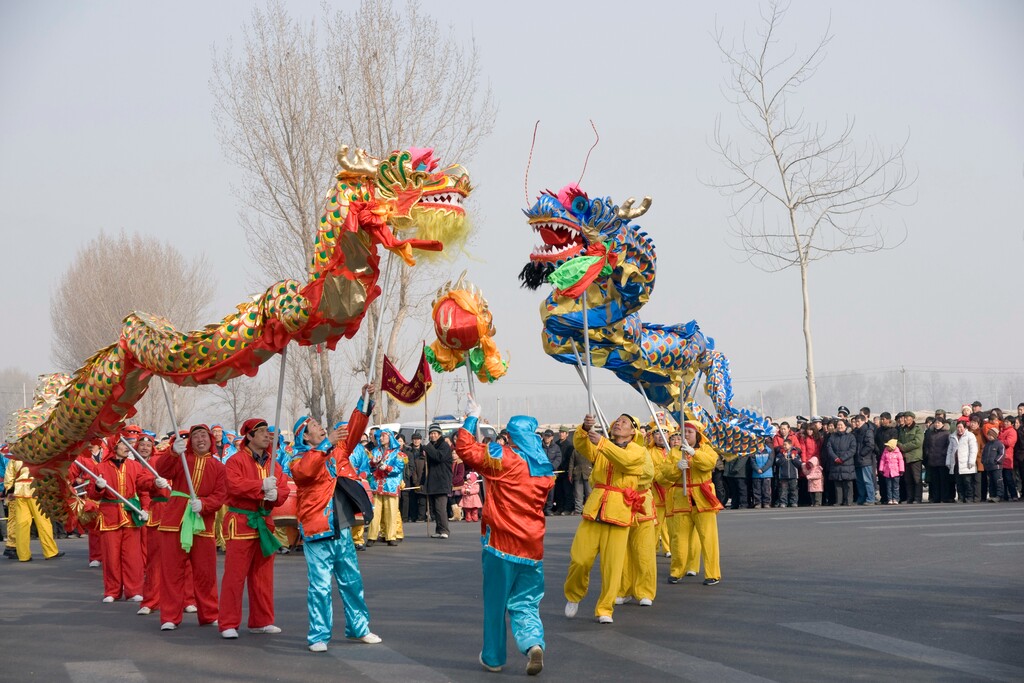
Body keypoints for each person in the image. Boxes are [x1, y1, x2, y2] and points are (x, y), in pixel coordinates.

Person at [454, 400, 553, 676]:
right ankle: (533, 642)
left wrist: (472, 418)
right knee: (526, 601)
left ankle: (494, 657)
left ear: (509, 436)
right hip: (532, 545)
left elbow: (465, 449)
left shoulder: (504, 456)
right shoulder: (544, 466)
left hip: (501, 542)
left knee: (496, 605)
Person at [290, 386, 381, 653]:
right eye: (314, 426)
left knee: (352, 581)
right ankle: (319, 635)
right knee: (319, 587)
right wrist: (327, 442)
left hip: (341, 529)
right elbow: (307, 470)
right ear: (304, 438)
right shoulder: (298, 459)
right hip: (317, 532)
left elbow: (353, 430)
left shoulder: (336, 451)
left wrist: (364, 400)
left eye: (320, 424)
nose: (320, 427)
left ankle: (359, 628)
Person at [564, 413, 645, 624]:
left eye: (624, 422)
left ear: (633, 431)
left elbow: (625, 461)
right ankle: (573, 595)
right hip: (596, 508)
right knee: (580, 559)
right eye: (617, 421)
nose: (619, 423)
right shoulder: (601, 446)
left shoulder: (639, 451)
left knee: (612, 566)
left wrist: (602, 443)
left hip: (620, 510)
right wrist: (584, 428)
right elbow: (581, 446)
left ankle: (605, 608)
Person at [219, 418, 291, 640]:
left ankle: (262, 620)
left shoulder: (273, 464)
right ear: (249, 436)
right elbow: (233, 485)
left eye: (268, 432)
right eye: (261, 432)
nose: (267, 435)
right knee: (235, 575)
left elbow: (284, 487)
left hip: (264, 522)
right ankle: (228, 623)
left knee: (263, 576)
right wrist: (260, 486)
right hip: (241, 522)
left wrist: (276, 494)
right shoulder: (235, 461)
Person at [154, 424, 227, 631]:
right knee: (171, 571)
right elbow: (162, 469)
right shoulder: (181, 460)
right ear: (190, 441)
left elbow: (220, 496)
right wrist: (173, 453)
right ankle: (169, 616)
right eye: (196, 436)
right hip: (174, 522)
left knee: (206, 572)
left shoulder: (219, 467)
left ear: (211, 440)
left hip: (202, 524)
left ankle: (209, 614)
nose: (200, 439)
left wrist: (205, 505)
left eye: (204, 435)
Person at [88, 430, 156, 602]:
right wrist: (98, 487)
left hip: (131, 515)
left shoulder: (135, 466)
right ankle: (112, 591)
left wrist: (146, 508)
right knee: (111, 556)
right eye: (123, 444)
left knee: (133, 557)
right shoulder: (100, 468)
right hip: (109, 515)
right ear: (113, 446)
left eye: (128, 444)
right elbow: (92, 495)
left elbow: (143, 490)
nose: (128, 448)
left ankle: (134, 590)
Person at [657, 419, 724, 586]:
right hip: (681, 498)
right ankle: (676, 571)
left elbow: (709, 464)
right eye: (683, 432)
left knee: (708, 538)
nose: (686, 435)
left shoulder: (706, 449)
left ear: (697, 435)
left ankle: (712, 573)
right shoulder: (674, 452)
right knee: (679, 538)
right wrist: (676, 468)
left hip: (703, 497)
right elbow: (665, 472)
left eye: (690, 432)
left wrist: (694, 455)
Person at [3, 457, 63, 562]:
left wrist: (9, 489)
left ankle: (23, 555)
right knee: (43, 522)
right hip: (35, 489)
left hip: (19, 491)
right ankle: (50, 551)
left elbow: (9, 475)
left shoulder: (15, 456)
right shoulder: (37, 452)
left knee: (22, 524)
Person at [365, 429, 404, 546]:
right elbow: (368, 467)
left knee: (391, 512)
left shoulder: (397, 453)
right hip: (376, 484)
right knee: (374, 511)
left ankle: (391, 536)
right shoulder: (375, 451)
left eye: (383, 436)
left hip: (390, 485)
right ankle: (371, 537)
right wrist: (372, 463)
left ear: (390, 438)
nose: (380, 438)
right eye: (380, 436)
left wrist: (386, 468)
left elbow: (399, 469)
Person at [422, 424, 453, 539]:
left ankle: (445, 530)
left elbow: (438, 457)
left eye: (435, 433)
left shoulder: (444, 446)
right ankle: (439, 529)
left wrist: (428, 447)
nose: (433, 435)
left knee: (440, 507)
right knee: (434, 508)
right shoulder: (432, 445)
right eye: (431, 433)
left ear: (439, 434)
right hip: (432, 481)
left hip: (442, 481)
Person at [923, 411, 953, 503]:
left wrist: (943, 453)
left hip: (943, 460)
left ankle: (945, 497)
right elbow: (926, 445)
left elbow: (949, 446)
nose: (937, 424)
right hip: (932, 460)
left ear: (943, 424)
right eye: (935, 423)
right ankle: (936, 498)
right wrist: (928, 453)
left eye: (939, 423)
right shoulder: (930, 433)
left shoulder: (947, 433)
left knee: (944, 480)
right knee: (935, 481)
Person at [946, 418, 977, 503]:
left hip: (966, 463)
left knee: (967, 482)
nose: (959, 429)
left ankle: (969, 497)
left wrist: (971, 461)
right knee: (958, 482)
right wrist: (948, 462)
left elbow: (973, 449)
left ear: (965, 428)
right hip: (956, 463)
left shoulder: (970, 435)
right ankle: (960, 497)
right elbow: (950, 450)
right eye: (958, 427)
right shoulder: (952, 436)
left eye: (961, 427)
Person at [826, 419, 857, 506]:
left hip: (847, 463)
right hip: (835, 463)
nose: (840, 427)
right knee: (837, 483)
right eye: (838, 425)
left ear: (845, 426)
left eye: (841, 425)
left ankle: (848, 501)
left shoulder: (850, 436)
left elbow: (852, 449)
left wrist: (842, 458)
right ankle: (839, 501)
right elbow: (829, 448)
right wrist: (835, 458)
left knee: (848, 483)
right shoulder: (832, 437)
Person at [897, 413, 924, 504]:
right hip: (905, 458)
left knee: (917, 479)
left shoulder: (918, 429)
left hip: (915, 457)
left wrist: (904, 447)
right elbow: (898, 441)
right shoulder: (902, 429)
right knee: (908, 479)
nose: (905, 419)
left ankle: (917, 498)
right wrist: (901, 446)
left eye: (907, 418)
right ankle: (910, 498)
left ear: (912, 418)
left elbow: (917, 442)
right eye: (904, 418)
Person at [851, 414, 878, 505]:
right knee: (859, 481)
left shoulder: (868, 431)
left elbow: (870, 445)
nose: (857, 423)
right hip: (857, 460)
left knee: (867, 480)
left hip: (865, 459)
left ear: (863, 421)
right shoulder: (855, 432)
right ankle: (862, 498)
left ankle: (871, 498)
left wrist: (861, 454)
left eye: (858, 421)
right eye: (856, 422)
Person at [540, 430, 562, 516]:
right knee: (541, 492)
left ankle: (548, 509)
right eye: (546, 436)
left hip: (552, 473)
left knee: (551, 492)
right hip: (541, 472)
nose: (547, 438)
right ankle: (541, 509)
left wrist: (552, 467)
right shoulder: (539, 446)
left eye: (549, 436)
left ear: (552, 437)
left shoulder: (556, 447)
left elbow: (558, 458)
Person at [980, 426, 1005, 502]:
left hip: (996, 466)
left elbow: (1002, 454)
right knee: (991, 482)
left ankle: (999, 495)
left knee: (998, 481)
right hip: (988, 466)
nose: (989, 437)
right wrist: (983, 461)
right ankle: (992, 495)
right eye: (988, 435)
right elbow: (984, 454)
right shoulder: (987, 445)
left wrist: (996, 461)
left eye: (991, 435)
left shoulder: (999, 444)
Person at [774, 438, 801, 508]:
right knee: (783, 490)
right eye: (783, 445)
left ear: (790, 445)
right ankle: (783, 502)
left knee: (794, 490)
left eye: (786, 445)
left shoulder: (795, 454)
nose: (784, 446)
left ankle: (793, 502)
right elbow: (777, 463)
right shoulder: (780, 454)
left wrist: (794, 458)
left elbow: (799, 464)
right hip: (783, 475)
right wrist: (783, 457)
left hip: (793, 475)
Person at [878, 440, 905, 505]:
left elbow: (901, 462)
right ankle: (890, 499)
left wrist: (901, 470)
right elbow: (882, 461)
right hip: (887, 472)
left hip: (896, 472)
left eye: (888, 446)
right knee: (889, 487)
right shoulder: (885, 452)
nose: (887, 447)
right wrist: (881, 469)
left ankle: (896, 498)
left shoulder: (898, 453)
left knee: (896, 487)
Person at [750, 439, 773, 509]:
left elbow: (770, 461)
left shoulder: (769, 451)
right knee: (757, 489)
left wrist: (763, 469)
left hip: (767, 474)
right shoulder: (754, 451)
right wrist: (757, 469)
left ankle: (766, 503)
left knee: (766, 489)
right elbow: (752, 462)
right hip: (756, 474)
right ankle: (758, 503)